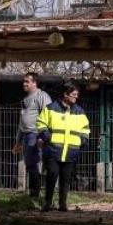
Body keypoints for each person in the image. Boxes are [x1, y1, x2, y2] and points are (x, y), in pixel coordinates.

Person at [36, 81, 90, 212]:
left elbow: (85, 128)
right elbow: (41, 123)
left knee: (66, 178)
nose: (76, 97)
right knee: (52, 175)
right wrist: (47, 137)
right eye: (74, 94)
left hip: (71, 151)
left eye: (77, 95)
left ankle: (62, 204)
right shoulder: (50, 108)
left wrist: (83, 139)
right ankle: (47, 202)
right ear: (65, 94)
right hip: (53, 150)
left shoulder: (80, 111)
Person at [12, 72, 52, 199]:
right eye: (24, 81)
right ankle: (33, 192)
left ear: (35, 82)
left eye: (27, 81)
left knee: (34, 162)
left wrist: (42, 136)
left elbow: (48, 116)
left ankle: (35, 192)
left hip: (36, 134)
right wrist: (18, 141)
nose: (24, 84)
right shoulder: (25, 99)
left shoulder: (42, 96)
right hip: (26, 135)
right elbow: (22, 121)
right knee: (29, 162)